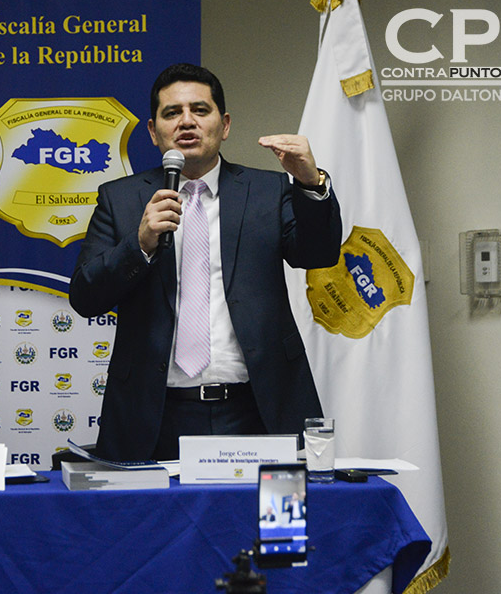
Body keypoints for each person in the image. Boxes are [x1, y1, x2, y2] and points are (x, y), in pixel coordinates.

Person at [69, 63, 342, 462]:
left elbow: (318, 254)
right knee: (154, 525)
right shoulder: (121, 198)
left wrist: (309, 184)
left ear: (224, 124)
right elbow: (84, 297)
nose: (186, 122)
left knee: (271, 526)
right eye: (171, 113)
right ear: (152, 130)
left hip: (259, 408)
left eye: (200, 110)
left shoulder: (267, 191)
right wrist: (141, 243)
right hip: (154, 415)